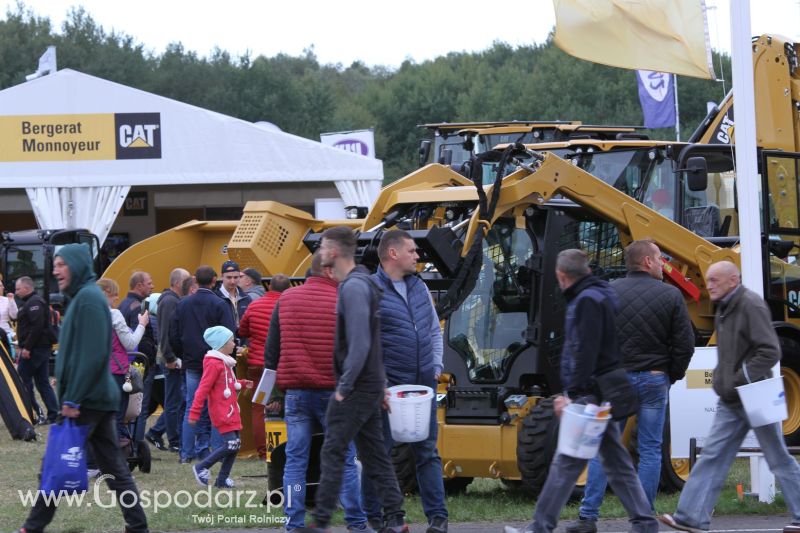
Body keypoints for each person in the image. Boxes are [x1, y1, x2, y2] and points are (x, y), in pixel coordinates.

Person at [505, 249, 658, 533]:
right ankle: (645, 522)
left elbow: (583, 351)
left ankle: (540, 526)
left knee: (567, 463)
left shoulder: (585, 302)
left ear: (562, 276)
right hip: (602, 392)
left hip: (589, 394)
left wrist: (572, 395)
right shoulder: (600, 295)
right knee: (616, 464)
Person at [660, 261, 800, 533]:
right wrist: (726, 380)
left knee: (777, 457)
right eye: (709, 279)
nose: (708, 284)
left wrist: (738, 379)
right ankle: (691, 517)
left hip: (755, 394)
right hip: (734, 398)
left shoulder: (751, 305)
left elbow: (770, 351)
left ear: (733, 281)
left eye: (714, 279)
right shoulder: (725, 307)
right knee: (713, 455)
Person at [18, 243, 149, 533]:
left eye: (62, 264)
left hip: (86, 399)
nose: (56, 269)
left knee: (55, 464)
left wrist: (72, 399)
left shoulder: (88, 299)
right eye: (56, 264)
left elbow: (91, 355)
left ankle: (32, 527)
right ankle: (138, 526)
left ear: (77, 265)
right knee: (115, 469)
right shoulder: (82, 297)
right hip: (97, 398)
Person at [568, 240, 694, 533]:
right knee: (650, 449)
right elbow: (684, 345)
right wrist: (669, 375)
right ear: (647, 262)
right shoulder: (671, 296)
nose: (664, 264)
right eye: (660, 258)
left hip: (615, 381)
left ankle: (588, 517)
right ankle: (643, 519)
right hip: (654, 378)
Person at [306, 226, 408, 533]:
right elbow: (374, 343)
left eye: (323, 247)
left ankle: (321, 521)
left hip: (356, 387)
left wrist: (345, 386)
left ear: (334, 252)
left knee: (333, 450)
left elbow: (362, 342)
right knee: (376, 455)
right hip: (371, 384)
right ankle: (396, 518)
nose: (321, 253)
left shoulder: (352, 288)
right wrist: (381, 384)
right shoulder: (363, 284)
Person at [264, 253, 367, 531]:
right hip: (335, 393)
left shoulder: (285, 300)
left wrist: (274, 393)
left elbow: (271, 352)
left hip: (296, 392)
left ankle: (293, 522)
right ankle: (357, 522)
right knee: (344, 459)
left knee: (295, 460)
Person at [362, 229, 447, 533]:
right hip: (388, 390)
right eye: (412, 251)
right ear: (393, 254)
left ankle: (438, 518)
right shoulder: (370, 290)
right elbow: (366, 343)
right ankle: (374, 519)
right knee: (379, 454)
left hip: (423, 386)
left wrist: (435, 365)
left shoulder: (419, 287)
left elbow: (434, 331)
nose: (418, 256)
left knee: (427, 453)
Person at [171, 265, 236, 463]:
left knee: (192, 406)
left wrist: (182, 354)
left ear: (195, 282)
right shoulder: (219, 304)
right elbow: (229, 332)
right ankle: (217, 450)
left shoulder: (183, 304)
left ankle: (186, 452)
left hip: (191, 361)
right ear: (215, 280)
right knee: (218, 405)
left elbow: (173, 334)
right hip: (215, 361)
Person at [189, 326, 252, 488]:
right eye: (231, 340)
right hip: (222, 411)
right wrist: (194, 412)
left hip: (231, 410)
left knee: (236, 444)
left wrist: (243, 383)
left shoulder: (226, 363)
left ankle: (222, 479)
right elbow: (203, 389)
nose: (234, 343)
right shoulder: (214, 364)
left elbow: (229, 384)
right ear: (222, 344)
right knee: (230, 444)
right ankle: (201, 467)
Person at [238, 273, 289, 460]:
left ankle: (262, 451)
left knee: (259, 408)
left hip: (258, 367)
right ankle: (285, 448)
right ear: (288, 289)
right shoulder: (287, 306)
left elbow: (242, 330)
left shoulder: (254, 304)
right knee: (289, 406)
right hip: (284, 366)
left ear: (270, 287)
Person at [96, 278, 149, 441]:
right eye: (114, 295)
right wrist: (142, 325)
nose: (116, 299)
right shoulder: (114, 315)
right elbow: (130, 343)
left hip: (96, 372)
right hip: (117, 372)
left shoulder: (87, 315)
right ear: (106, 293)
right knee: (117, 417)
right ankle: (117, 453)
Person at [146, 268, 191, 453]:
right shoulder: (170, 301)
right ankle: (174, 440)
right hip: (170, 360)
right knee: (173, 402)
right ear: (178, 283)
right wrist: (170, 357)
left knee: (178, 401)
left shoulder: (173, 300)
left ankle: (163, 433)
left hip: (173, 358)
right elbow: (164, 333)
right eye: (187, 280)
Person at [118, 271, 157, 443]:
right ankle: (134, 444)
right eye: (149, 282)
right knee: (137, 408)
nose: (152, 286)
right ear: (139, 285)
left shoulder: (122, 305)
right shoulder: (136, 308)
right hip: (137, 364)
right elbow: (135, 338)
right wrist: (143, 362)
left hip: (126, 363)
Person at [15, 276, 58, 425]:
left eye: (18, 289)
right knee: (42, 383)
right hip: (39, 348)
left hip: (36, 350)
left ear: (27, 288)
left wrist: (26, 348)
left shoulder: (34, 303)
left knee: (23, 379)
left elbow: (37, 327)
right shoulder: (30, 302)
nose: (16, 292)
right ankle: (53, 415)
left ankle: (35, 413)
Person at [215, 260, 250, 328]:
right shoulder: (215, 297)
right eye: (229, 277)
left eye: (236, 277)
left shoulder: (246, 298)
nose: (232, 281)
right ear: (222, 277)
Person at [0, 273, 18, 345]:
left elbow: (15, 316)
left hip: (6, 335)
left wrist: (12, 301)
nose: (3, 287)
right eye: (0, 286)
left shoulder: (7, 300)